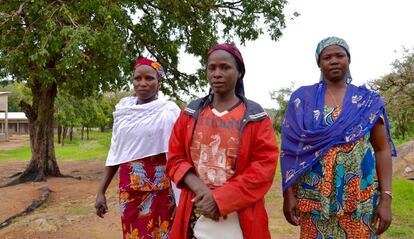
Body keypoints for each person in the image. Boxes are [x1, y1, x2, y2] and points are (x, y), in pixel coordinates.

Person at [280, 36, 397, 239]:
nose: (334, 60)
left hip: (359, 200)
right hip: (313, 199)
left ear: (349, 60)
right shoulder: (302, 99)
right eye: (327, 57)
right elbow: (291, 150)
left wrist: (386, 198)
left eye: (339, 55)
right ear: (319, 63)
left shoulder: (366, 101)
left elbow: (382, 149)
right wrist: (288, 193)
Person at [166, 43, 279, 239]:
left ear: (239, 72)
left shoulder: (255, 116)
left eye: (225, 67)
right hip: (196, 208)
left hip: (239, 217)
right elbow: (175, 158)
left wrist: (220, 199)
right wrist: (202, 191)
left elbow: (263, 168)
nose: (217, 73)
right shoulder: (191, 113)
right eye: (212, 68)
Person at [95, 57, 180, 239]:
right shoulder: (124, 112)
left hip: (161, 191)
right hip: (130, 192)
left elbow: (178, 156)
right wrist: (101, 191)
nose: (143, 83)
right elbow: (116, 152)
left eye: (149, 78)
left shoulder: (167, 112)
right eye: (137, 78)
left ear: (159, 83)